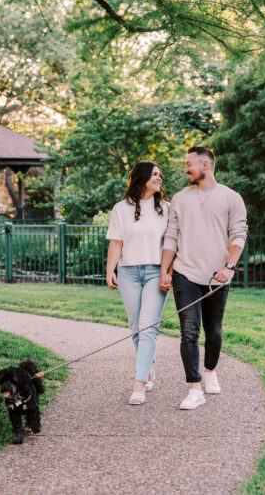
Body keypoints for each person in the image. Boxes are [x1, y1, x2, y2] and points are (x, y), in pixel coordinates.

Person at [159, 146, 247, 410]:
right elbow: (171, 236)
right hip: (185, 274)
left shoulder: (231, 198)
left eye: (189, 164)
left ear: (205, 165)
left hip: (217, 277)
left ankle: (210, 371)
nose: (186, 169)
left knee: (214, 332)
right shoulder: (181, 198)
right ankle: (194, 388)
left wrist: (229, 266)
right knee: (189, 332)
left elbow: (238, 235)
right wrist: (165, 270)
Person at [106, 161, 170, 405]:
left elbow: (171, 245)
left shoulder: (167, 208)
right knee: (136, 327)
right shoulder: (121, 209)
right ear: (141, 177)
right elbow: (116, 242)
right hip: (128, 273)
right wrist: (110, 270)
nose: (159, 178)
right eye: (154, 174)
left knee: (148, 326)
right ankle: (149, 367)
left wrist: (168, 272)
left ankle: (139, 383)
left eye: (160, 175)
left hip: (156, 271)